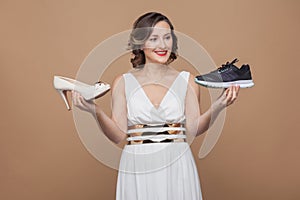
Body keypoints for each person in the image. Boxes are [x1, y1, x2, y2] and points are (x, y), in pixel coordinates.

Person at [71, 12, 239, 200]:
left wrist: (218, 106)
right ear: (141, 43)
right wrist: (95, 111)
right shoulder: (123, 82)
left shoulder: (187, 80)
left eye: (167, 38)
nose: (162, 45)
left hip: (177, 162)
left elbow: (194, 128)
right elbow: (118, 135)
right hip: (137, 163)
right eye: (154, 38)